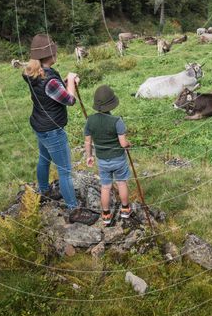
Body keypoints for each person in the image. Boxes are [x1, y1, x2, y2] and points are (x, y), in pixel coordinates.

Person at [22, 33, 96, 225]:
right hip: (53, 129)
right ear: (51, 55)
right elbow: (69, 100)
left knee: (43, 159)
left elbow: (50, 92)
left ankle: (44, 191)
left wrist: (66, 82)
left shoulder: (31, 73)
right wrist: (70, 80)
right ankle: (74, 211)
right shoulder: (49, 80)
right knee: (64, 171)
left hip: (40, 125)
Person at [84, 85, 132, 226]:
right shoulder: (117, 121)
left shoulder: (90, 121)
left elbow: (88, 141)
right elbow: (123, 143)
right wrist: (129, 144)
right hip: (118, 159)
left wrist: (89, 156)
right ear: (112, 103)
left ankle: (105, 215)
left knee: (105, 187)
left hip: (103, 161)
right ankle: (125, 209)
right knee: (121, 183)